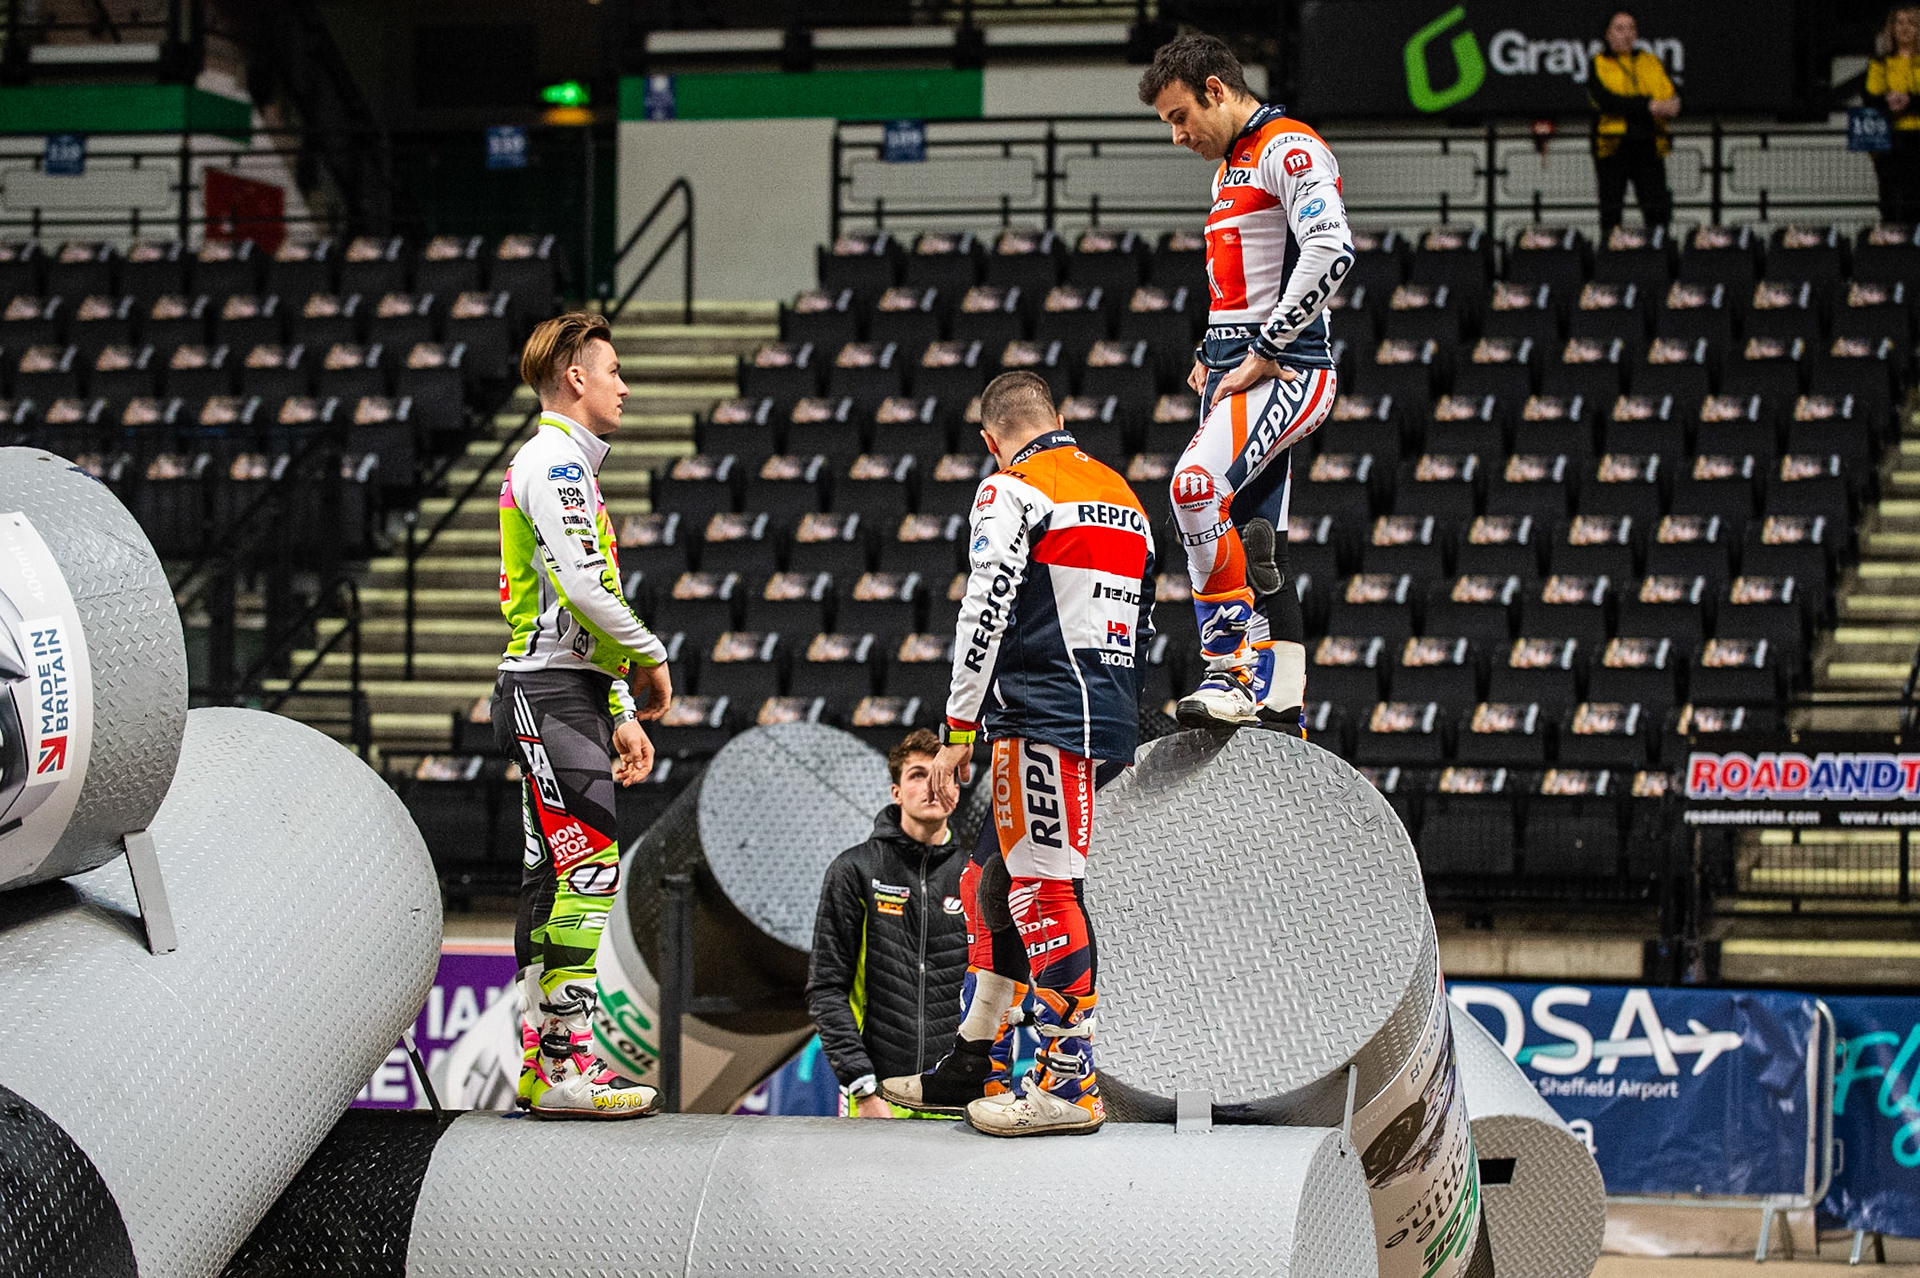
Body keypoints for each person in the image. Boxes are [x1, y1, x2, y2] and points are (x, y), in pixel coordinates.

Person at [922, 370, 1155, 1137]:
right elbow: (1146, 615)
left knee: (1039, 896)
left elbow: (983, 608)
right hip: (1111, 717)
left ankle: (1067, 1085)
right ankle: (986, 1060)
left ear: (991, 441)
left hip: (1042, 715)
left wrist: (959, 728)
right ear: (1061, 416)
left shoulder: (1009, 490)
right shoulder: (1124, 493)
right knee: (1007, 881)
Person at [1139, 33, 1352, 731]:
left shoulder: (1288, 145)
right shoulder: (1230, 165)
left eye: (1179, 117)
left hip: (1288, 365)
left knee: (1194, 489)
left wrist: (1265, 345)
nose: (1176, 136)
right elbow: (1246, 273)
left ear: (1216, 90)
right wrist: (1215, 344)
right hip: (1240, 363)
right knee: (1261, 543)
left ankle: (1227, 672)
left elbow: (1332, 248)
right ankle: (1283, 708)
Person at [493, 311, 674, 1119]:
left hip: (568, 692)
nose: (623, 386)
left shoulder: (566, 465)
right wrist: (652, 656)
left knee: (551, 879)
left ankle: (544, 1069)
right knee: (589, 874)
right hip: (548, 694)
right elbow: (586, 589)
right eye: (612, 371)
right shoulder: (554, 462)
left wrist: (621, 703)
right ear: (575, 378)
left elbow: (586, 609)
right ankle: (565, 1067)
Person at [805, 729, 970, 1118]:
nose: (931, 785)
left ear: (957, 790)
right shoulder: (855, 869)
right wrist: (862, 1087)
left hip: (956, 1100)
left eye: (942, 774)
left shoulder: (975, 877)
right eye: (916, 775)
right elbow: (826, 988)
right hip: (877, 1098)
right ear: (895, 792)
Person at [1589, 9, 1680, 239]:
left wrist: (1662, 106)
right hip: (1613, 146)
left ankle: (1659, 255)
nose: (1627, 34)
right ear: (1608, 34)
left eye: (1631, 28)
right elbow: (1607, 101)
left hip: (1649, 143)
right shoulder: (1598, 64)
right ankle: (1610, 261)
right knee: (1611, 209)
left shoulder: (1650, 62)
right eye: (1619, 28)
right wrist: (1648, 106)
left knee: (1656, 208)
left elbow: (1668, 97)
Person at [1867, 5, 1920, 224]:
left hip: (1917, 135)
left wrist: (1910, 101)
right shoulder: (1881, 61)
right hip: (1890, 139)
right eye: (1899, 22)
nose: (1904, 28)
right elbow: (1871, 96)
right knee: (1891, 194)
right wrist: (1887, 102)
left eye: (1911, 23)